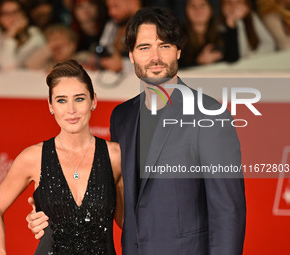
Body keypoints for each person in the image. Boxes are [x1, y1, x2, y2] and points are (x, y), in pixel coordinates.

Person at [27, 7, 246, 255]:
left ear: (179, 51)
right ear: (130, 55)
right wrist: (51, 207)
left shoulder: (209, 114)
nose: (155, 57)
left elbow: (228, 210)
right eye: (144, 48)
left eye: (164, 46)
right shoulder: (122, 118)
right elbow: (114, 197)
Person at [0, 60, 124, 254]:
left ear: (94, 101)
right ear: (51, 106)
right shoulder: (33, 157)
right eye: (61, 100)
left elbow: (126, 221)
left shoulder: (115, 155)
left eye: (79, 99)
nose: (71, 110)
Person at [179, 0, 239, 68]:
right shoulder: (176, 38)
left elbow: (233, 60)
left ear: (211, 9)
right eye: (192, 6)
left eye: (203, 5)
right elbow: (174, 69)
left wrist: (231, 26)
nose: (198, 9)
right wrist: (198, 62)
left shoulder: (221, 35)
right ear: (186, 10)